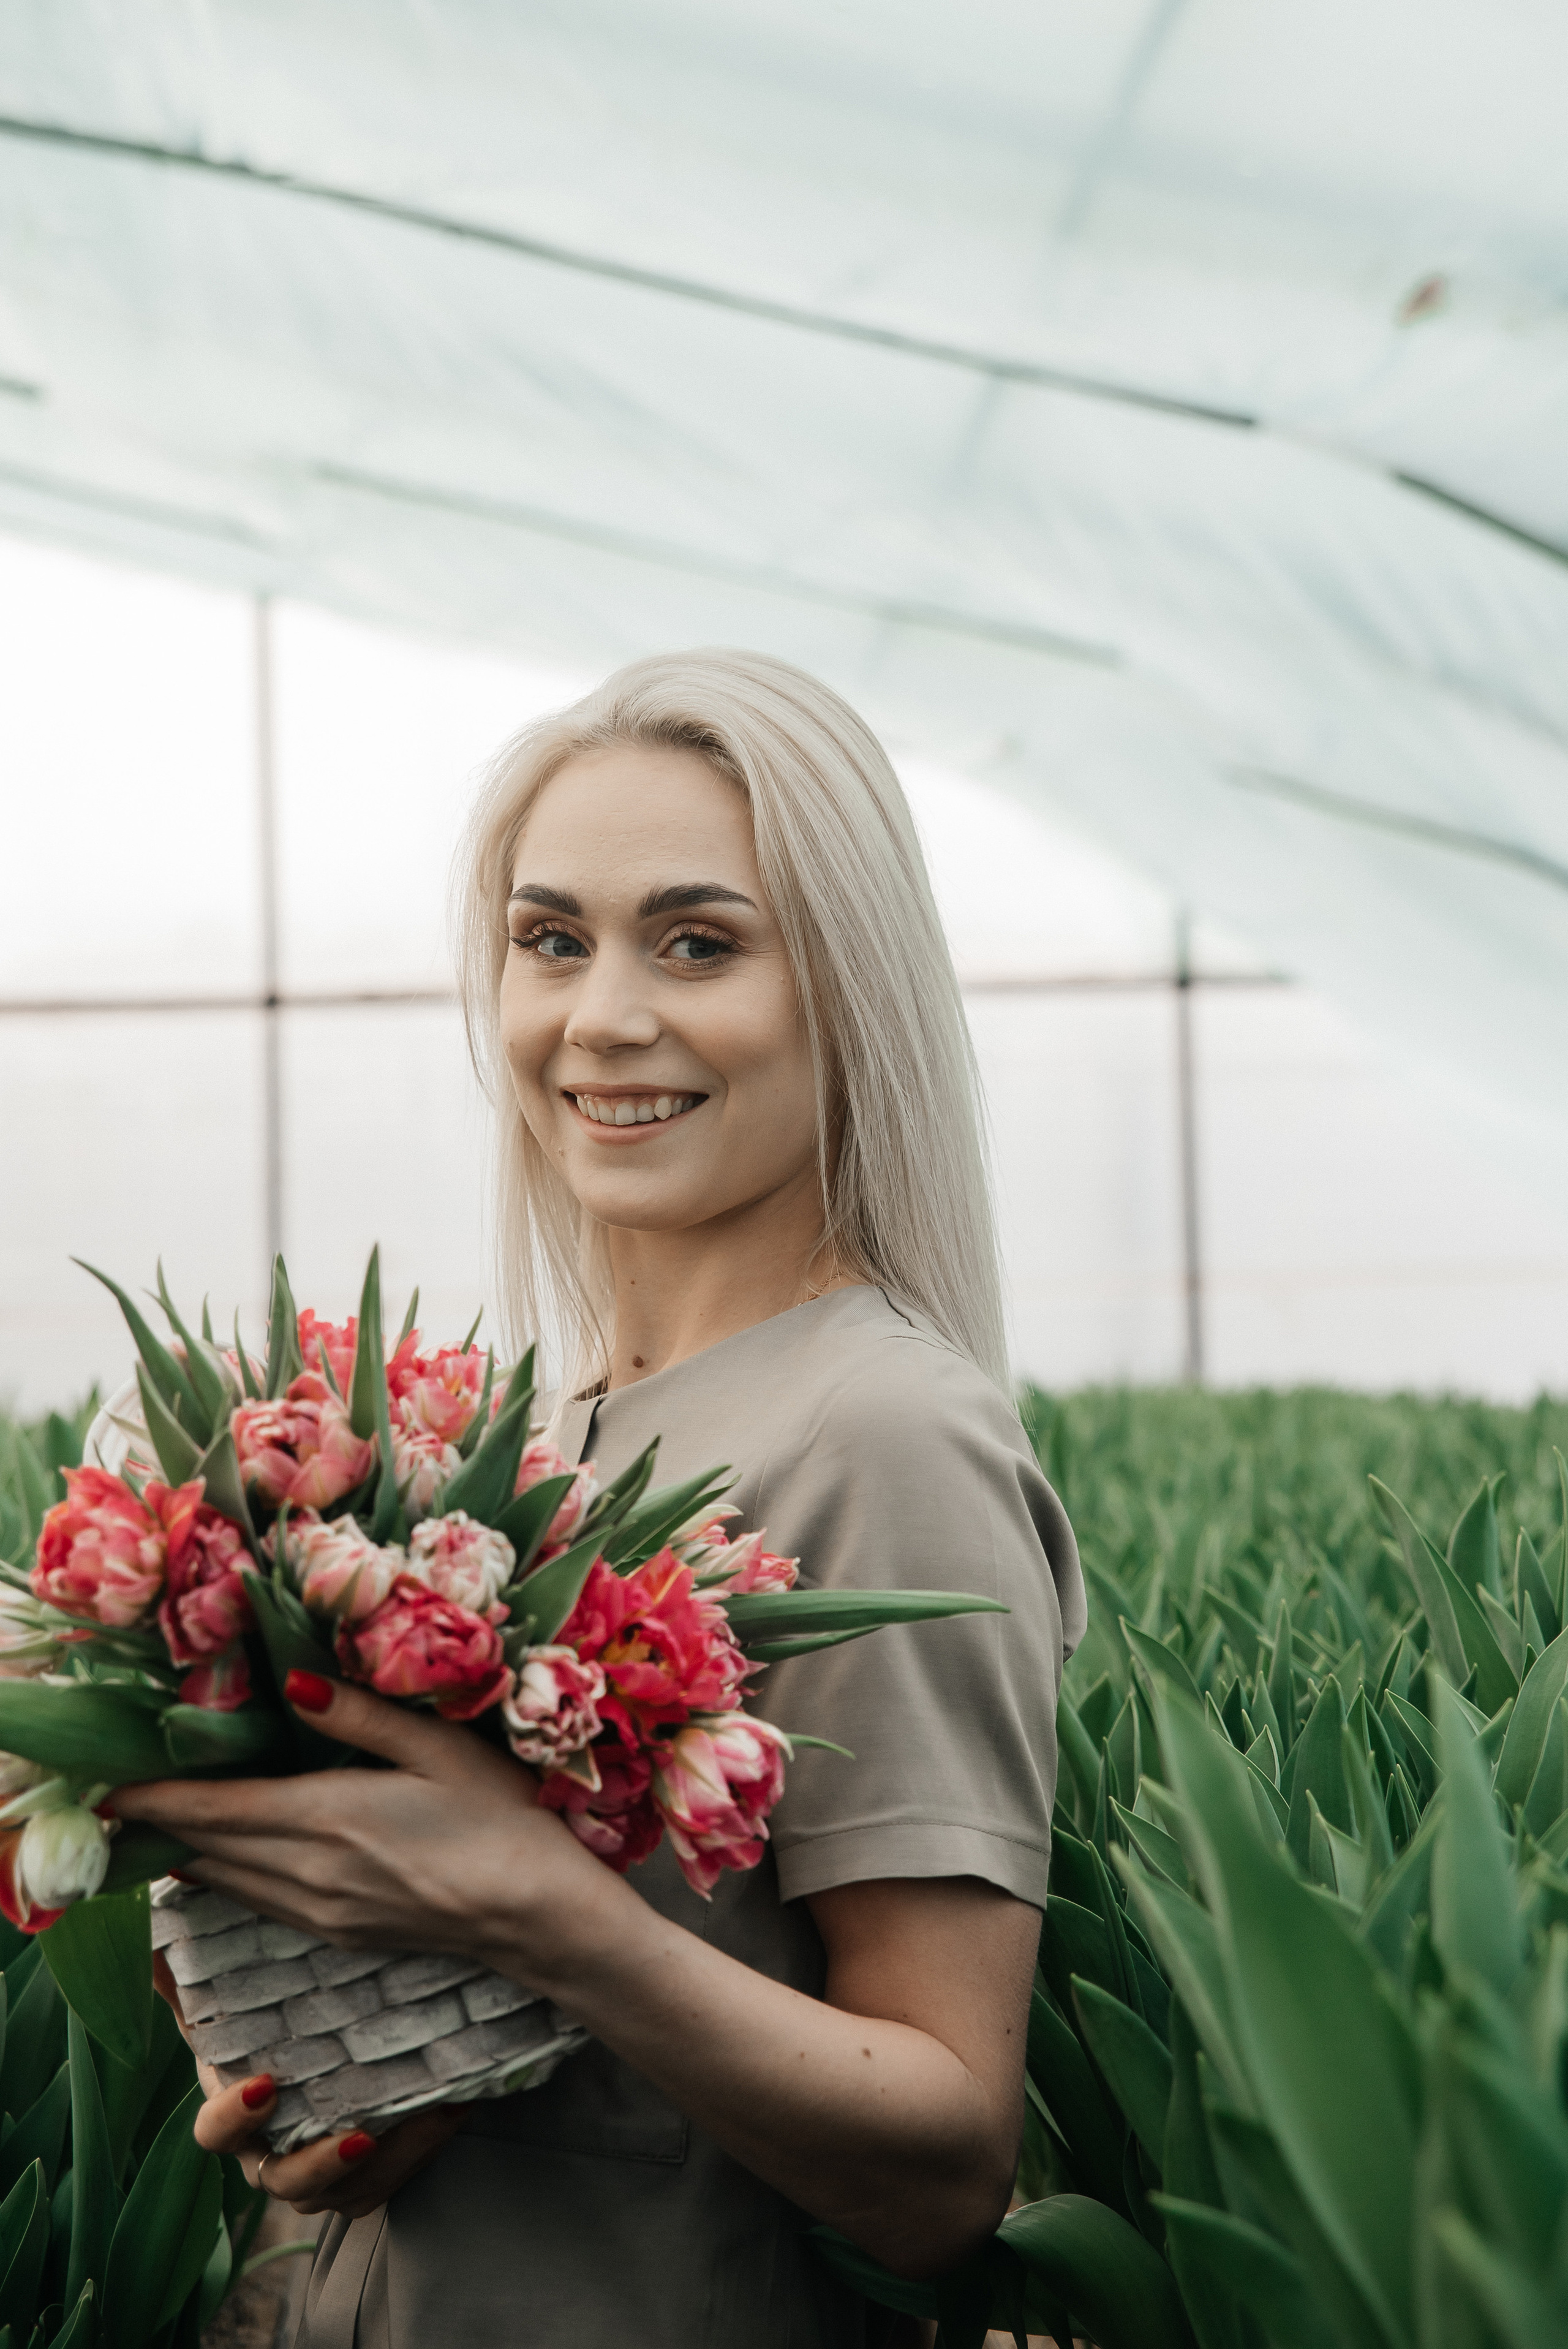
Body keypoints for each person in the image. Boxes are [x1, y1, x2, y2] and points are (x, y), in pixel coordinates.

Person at [115, 649, 1087, 2348]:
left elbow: (946, 2162)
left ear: (846, 987)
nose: (603, 1014)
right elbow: (602, 2046)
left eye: (698, 941)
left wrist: (530, 1910)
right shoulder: (544, 1434)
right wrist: (357, 2079)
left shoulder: (882, 1434)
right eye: (552, 939)